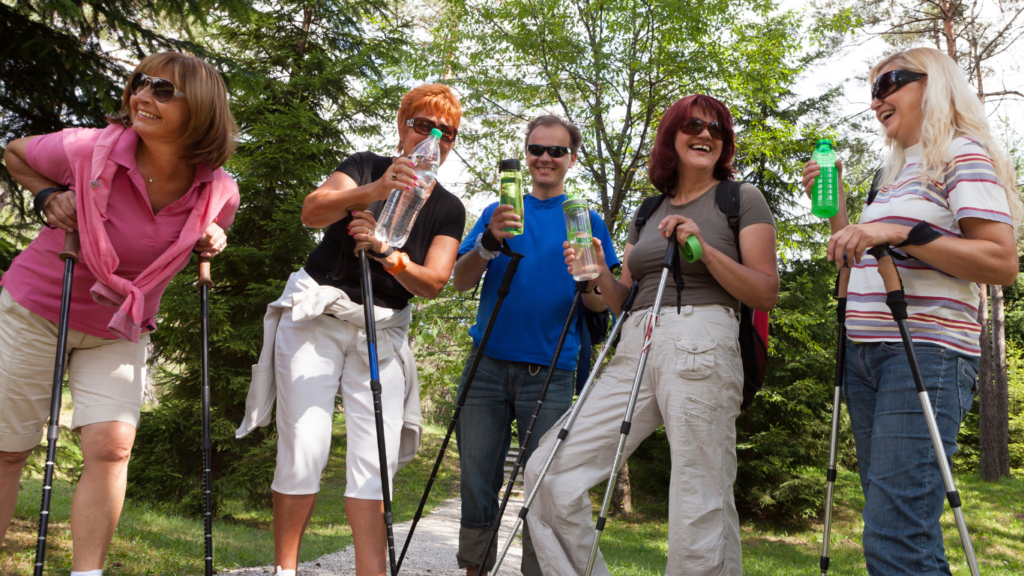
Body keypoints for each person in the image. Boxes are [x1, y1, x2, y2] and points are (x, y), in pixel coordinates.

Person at [0, 52, 240, 574]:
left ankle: (88, 572)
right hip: (40, 306)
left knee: (112, 448)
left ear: (200, 109)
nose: (142, 96)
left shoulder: (220, 190)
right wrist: (46, 196)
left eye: (162, 90)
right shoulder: (88, 149)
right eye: (139, 83)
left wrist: (213, 238)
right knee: (7, 448)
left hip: (119, 326)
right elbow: (14, 152)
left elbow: (207, 231)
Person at [525, 95, 779, 575]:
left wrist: (701, 249)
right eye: (693, 126)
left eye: (716, 129)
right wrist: (600, 273)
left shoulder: (740, 199)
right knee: (549, 471)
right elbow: (625, 302)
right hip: (636, 341)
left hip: (701, 336)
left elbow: (765, 292)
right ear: (671, 137)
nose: (705, 134)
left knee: (698, 497)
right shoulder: (647, 210)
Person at [801, 47, 1021, 575]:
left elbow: (1000, 261)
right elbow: (860, 259)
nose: (877, 99)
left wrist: (901, 231)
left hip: (924, 353)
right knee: (899, 526)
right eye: (872, 90)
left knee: (893, 534)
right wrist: (842, 216)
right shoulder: (892, 173)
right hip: (866, 357)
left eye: (890, 83)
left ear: (935, 84)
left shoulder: (959, 153)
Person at [235, 84, 466, 576]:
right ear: (402, 125)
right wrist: (377, 190)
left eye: (446, 132)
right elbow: (312, 210)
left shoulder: (448, 208)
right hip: (316, 316)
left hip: (381, 331)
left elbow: (435, 282)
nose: (432, 138)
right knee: (305, 445)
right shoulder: (364, 166)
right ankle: (285, 570)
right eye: (422, 124)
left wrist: (388, 253)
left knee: (374, 462)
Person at [451, 115, 618, 576]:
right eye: (536, 150)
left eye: (556, 151)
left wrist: (588, 280)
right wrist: (487, 242)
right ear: (525, 155)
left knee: (543, 485)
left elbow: (602, 303)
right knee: (477, 481)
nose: (545, 158)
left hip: (552, 368)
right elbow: (461, 282)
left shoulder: (585, 218)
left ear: (571, 159)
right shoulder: (499, 211)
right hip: (486, 365)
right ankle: (474, 569)